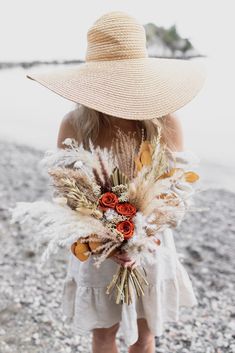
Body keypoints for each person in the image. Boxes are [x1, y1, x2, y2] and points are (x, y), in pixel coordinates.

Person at [26, 11, 206, 353]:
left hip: (151, 242)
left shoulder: (166, 121)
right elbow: (65, 191)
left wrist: (141, 237)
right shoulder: (75, 123)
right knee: (104, 334)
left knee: (145, 334)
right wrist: (107, 240)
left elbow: (179, 188)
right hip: (96, 246)